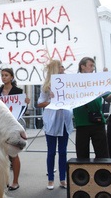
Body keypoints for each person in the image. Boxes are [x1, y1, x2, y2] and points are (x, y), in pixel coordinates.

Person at [37, 60, 73, 190]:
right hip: (51, 122)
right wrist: (52, 101)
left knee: (63, 152)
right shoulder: (46, 86)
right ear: (55, 69)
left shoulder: (69, 83)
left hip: (64, 120)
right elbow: (40, 103)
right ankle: (50, 179)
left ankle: (63, 179)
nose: (63, 68)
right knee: (51, 152)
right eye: (60, 66)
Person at [0, 68, 30, 191]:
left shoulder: (18, 91)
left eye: (6, 75)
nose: (4, 77)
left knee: (13, 154)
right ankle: (3, 180)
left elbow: (22, 110)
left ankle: (15, 181)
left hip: (14, 126)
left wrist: (26, 103)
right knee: (1, 155)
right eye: (2, 75)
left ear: (11, 77)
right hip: (1, 126)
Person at [73, 57, 109, 158]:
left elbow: (109, 98)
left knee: (102, 153)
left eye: (94, 66)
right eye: (90, 66)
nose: (93, 68)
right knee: (82, 154)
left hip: (97, 122)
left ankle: (102, 173)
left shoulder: (98, 80)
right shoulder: (72, 81)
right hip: (81, 122)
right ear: (82, 67)